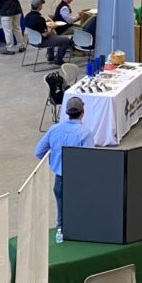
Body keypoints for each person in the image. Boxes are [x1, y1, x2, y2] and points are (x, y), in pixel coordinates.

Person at [35, 96, 94, 227]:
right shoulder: (85, 133)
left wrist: (55, 161)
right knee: (81, 216)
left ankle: (61, 234)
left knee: (61, 220)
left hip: (60, 179)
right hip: (79, 180)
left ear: (66, 112)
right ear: (82, 113)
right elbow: (91, 160)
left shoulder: (54, 129)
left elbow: (39, 151)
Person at [25, 0, 72, 66]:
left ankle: (51, 57)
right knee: (65, 40)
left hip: (32, 40)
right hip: (41, 42)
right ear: (39, 6)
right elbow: (45, 35)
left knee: (53, 35)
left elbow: (36, 27)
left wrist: (45, 24)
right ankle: (58, 60)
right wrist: (51, 28)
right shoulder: (40, 18)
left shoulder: (27, 16)